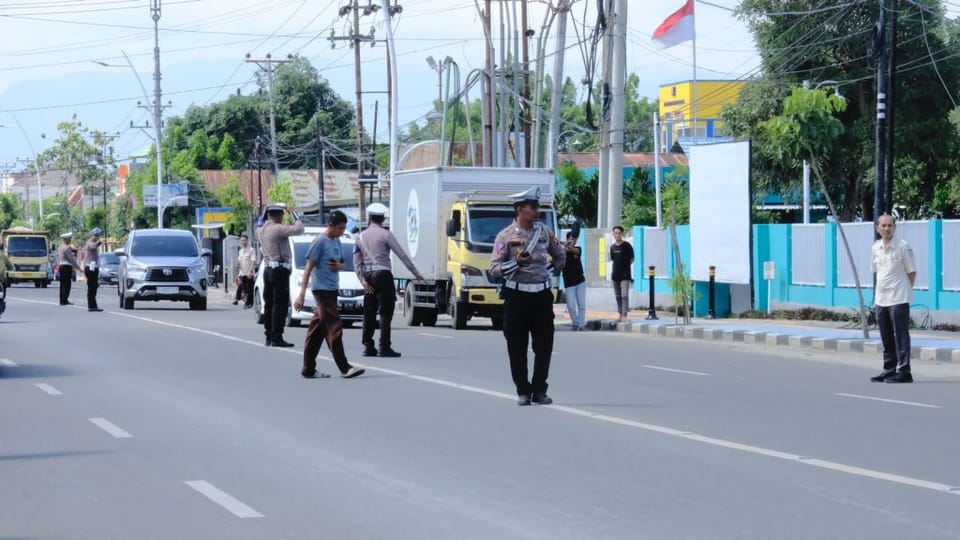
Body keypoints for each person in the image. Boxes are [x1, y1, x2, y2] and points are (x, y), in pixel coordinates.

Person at [490, 186, 565, 406]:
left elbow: (560, 256)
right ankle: (523, 390)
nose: (536, 210)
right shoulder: (505, 236)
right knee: (516, 346)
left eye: (537, 206)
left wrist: (549, 272)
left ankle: (540, 390)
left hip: (541, 296)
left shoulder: (544, 232)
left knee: (544, 346)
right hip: (516, 296)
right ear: (520, 209)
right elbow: (494, 269)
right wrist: (516, 263)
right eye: (532, 207)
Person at [293, 211, 366, 380]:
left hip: (333, 290)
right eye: (339, 228)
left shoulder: (337, 241)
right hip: (321, 290)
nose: (341, 231)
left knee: (316, 332)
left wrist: (340, 266)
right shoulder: (319, 242)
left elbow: (342, 262)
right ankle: (344, 367)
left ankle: (308, 368)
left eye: (343, 228)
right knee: (334, 327)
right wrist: (301, 294)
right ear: (331, 226)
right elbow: (309, 267)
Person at [353, 202, 425, 358]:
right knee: (386, 312)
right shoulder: (386, 234)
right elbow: (402, 254)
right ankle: (384, 346)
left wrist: (362, 280)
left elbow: (357, 262)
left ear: (369, 217)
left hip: (368, 276)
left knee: (369, 312)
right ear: (383, 218)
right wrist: (415, 272)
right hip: (383, 274)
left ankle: (368, 346)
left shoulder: (360, 237)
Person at [870, 214, 917, 384]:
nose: (886, 229)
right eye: (883, 225)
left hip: (898, 298)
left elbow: (912, 272)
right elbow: (877, 272)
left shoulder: (903, 247)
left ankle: (904, 371)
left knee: (901, 335)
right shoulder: (876, 247)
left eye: (890, 225)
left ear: (894, 227)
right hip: (881, 298)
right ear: (878, 228)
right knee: (886, 336)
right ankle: (889, 369)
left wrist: (904, 291)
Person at [258, 203, 304, 347]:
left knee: (269, 303)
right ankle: (277, 336)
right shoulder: (277, 229)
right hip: (279, 269)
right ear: (278, 215)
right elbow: (299, 229)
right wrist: (293, 214)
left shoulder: (260, 230)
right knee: (280, 304)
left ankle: (269, 335)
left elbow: (261, 220)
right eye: (282, 215)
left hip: (267, 269)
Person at [610, 225, 634, 322]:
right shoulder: (612, 247)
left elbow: (632, 258)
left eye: (619, 233)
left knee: (624, 295)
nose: (617, 235)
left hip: (625, 274)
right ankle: (620, 314)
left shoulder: (627, 246)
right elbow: (613, 259)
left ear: (622, 234)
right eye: (616, 233)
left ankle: (625, 314)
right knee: (618, 296)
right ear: (613, 234)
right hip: (615, 274)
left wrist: (626, 267)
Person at [563, 231, 587, 330]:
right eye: (571, 239)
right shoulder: (562, 252)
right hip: (569, 283)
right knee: (571, 305)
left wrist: (569, 247)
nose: (573, 241)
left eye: (574, 239)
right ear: (567, 239)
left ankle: (581, 324)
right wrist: (563, 247)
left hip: (580, 281)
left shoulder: (578, 249)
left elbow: (576, 251)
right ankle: (575, 322)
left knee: (581, 305)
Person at [78, 228, 104, 312]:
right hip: (90, 268)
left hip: (93, 267)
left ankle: (93, 305)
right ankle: (91, 305)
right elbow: (93, 246)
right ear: (92, 235)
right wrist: (99, 242)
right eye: (95, 235)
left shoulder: (90, 243)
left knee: (94, 287)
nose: (97, 237)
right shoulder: (89, 243)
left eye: (98, 235)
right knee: (92, 287)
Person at [233, 233, 256, 308]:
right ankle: (238, 299)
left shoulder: (251, 250)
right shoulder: (240, 251)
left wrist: (250, 271)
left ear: (247, 241)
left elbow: (253, 261)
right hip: (242, 272)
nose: (243, 242)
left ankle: (249, 303)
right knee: (242, 286)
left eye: (244, 240)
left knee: (249, 289)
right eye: (242, 240)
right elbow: (240, 262)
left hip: (249, 273)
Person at [57, 232, 79, 306]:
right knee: (67, 284)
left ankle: (62, 300)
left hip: (61, 266)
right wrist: (78, 268)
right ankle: (65, 300)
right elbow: (71, 259)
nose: (70, 240)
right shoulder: (66, 248)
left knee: (62, 284)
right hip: (66, 266)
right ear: (66, 239)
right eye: (69, 238)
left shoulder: (60, 247)